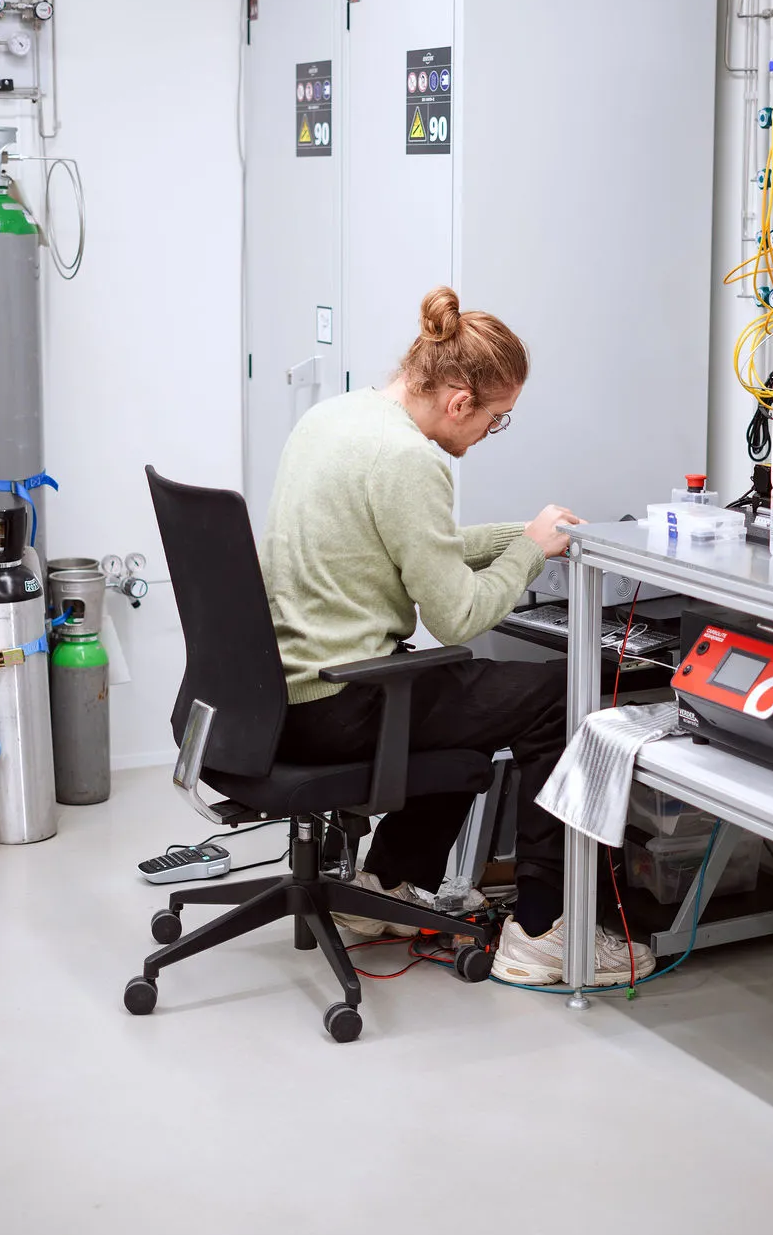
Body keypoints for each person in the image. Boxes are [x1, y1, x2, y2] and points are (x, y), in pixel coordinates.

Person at [260, 286, 654, 987]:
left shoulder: (336, 418)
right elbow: (460, 616)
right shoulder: (412, 460)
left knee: (462, 692)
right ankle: (544, 928)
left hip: (284, 694)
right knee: (559, 696)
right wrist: (528, 553)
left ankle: (385, 888)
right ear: (460, 402)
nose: (487, 434)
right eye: (497, 421)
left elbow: (415, 543)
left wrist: (526, 535)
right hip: (341, 703)